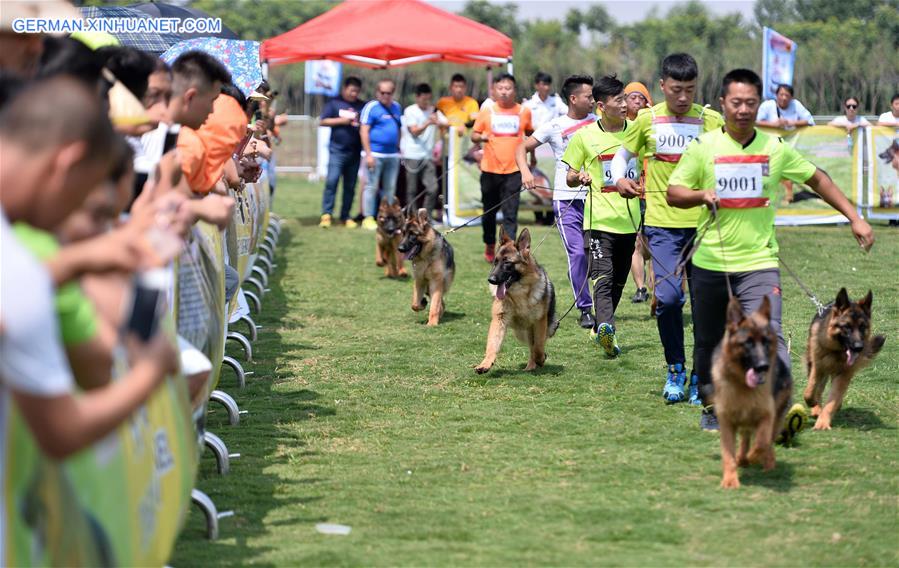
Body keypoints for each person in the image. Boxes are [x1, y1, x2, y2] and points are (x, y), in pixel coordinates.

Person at [666, 68, 874, 431]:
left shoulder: (774, 149)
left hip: (760, 262)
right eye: (736, 103)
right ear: (722, 104)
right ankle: (713, 406)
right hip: (710, 262)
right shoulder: (703, 148)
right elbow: (674, 192)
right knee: (710, 340)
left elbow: (818, 178)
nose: (743, 110)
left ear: (757, 105)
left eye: (750, 103)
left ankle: (779, 403)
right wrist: (701, 195)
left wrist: (854, 217)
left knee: (771, 332)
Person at [0, 77, 178, 461]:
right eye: (82, 199)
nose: (67, 219)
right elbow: (64, 432)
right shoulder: (17, 268)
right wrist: (152, 369)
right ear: (68, 162)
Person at [610, 53, 724, 404]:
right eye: (676, 89)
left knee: (707, 305)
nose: (683, 97)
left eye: (690, 89)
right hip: (662, 225)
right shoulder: (647, 119)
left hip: (704, 228)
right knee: (671, 299)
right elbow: (622, 156)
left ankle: (700, 374)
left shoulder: (710, 119)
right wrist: (619, 179)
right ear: (662, 86)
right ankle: (674, 367)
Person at [562, 75, 641, 357]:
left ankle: (599, 328)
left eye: (626, 99)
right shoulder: (584, 136)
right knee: (603, 278)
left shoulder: (637, 131)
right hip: (598, 222)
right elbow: (569, 175)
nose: (625, 104)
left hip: (630, 221)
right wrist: (578, 176)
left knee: (619, 281)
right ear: (601, 105)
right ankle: (608, 327)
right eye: (619, 100)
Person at [516, 74, 597, 329]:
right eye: (589, 96)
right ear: (574, 99)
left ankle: (587, 287)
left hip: (598, 200)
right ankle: (585, 309)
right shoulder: (554, 126)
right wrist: (526, 173)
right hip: (566, 201)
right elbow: (521, 148)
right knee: (577, 255)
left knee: (592, 256)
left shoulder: (599, 123)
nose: (594, 101)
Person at [471, 73, 533, 262]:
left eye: (508, 88)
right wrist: (482, 138)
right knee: (489, 212)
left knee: (510, 212)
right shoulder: (487, 111)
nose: (505, 92)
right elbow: (474, 134)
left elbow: (531, 135)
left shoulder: (524, 111)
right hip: (490, 169)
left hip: (514, 170)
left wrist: (533, 158)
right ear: (494, 91)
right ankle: (489, 242)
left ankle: (510, 250)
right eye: (501, 88)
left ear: (514, 90)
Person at [319, 76, 365, 228]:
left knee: (350, 186)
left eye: (356, 91)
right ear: (344, 89)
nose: (354, 94)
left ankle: (345, 216)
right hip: (337, 151)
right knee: (332, 181)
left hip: (355, 151)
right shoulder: (334, 103)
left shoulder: (362, 105)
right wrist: (341, 121)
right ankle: (327, 214)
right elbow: (323, 121)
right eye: (352, 90)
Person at [623, 81, 653, 304]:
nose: (636, 101)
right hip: (629, 191)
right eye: (631, 97)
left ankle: (655, 289)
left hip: (652, 190)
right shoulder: (618, 125)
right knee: (635, 242)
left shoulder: (653, 125)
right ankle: (641, 288)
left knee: (654, 241)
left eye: (640, 97)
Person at [360, 78, 403, 230]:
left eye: (389, 93)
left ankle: (389, 218)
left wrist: (399, 147)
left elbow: (398, 129)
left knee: (390, 188)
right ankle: (368, 217)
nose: (385, 96)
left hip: (392, 155)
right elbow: (364, 131)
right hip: (375, 154)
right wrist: (368, 154)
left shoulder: (397, 107)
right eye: (382, 92)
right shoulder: (371, 107)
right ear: (377, 92)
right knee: (371, 187)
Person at [401, 82, 443, 220]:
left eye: (428, 99)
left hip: (428, 156)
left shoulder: (433, 110)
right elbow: (414, 131)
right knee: (412, 190)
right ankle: (412, 218)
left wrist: (440, 122)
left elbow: (446, 123)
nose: (426, 102)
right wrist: (428, 123)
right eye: (424, 99)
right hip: (412, 155)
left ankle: (426, 217)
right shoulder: (410, 111)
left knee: (433, 188)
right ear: (417, 97)